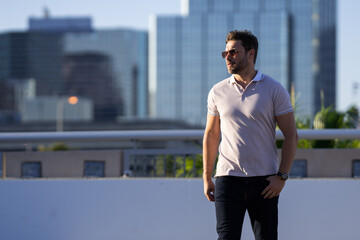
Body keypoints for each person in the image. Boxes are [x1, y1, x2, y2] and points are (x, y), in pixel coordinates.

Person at [202, 30, 298, 240]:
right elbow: (211, 135)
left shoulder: (274, 89)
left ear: (251, 54)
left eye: (234, 52)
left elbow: (291, 135)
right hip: (228, 178)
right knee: (226, 237)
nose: (228, 57)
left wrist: (282, 176)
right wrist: (207, 176)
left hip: (265, 182)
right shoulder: (217, 91)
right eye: (225, 53)